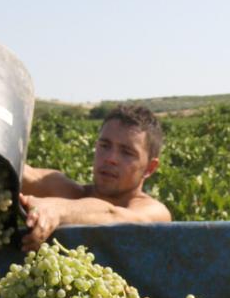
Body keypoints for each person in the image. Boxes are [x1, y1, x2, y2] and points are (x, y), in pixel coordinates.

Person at [19, 104, 171, 251]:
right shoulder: (70, 193)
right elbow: (27, 175)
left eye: (127, 152)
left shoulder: (154, 212)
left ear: (149, 168)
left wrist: (59, 209)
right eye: (105, 146)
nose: (111, 158)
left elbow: (114, 216)